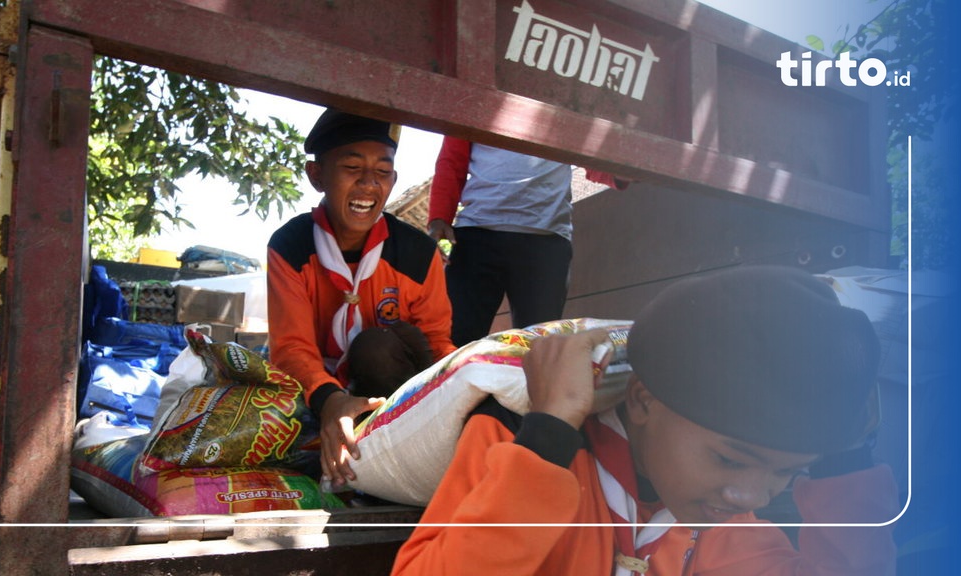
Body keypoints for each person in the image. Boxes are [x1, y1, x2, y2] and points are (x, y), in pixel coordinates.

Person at [392, 265, 898, 576]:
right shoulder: (517, 443)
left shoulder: (717, 518)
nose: (753, 497)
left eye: (785, 473)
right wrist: (546, 439)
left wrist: (846, 469)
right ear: (641, 400)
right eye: (728, 458)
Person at [267, 108, 455, 488]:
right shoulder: (290, 246)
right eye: (352, 167)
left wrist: (457, 390)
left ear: (394, 179)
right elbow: (291, 348)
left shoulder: (418, 254)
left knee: (374, 348)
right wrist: (330, 401)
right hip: (323, 393)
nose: (369, 184)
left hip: (394, 390)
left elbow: (435, 340)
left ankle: (392, 451)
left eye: (382, 172)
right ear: (316, 175)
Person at [427, 138, 575, 346]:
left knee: (539, 345)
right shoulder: (476, 104)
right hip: (477, 234)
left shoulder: (573, 105)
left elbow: (598, 153)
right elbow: (451, 160)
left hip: (546, 238)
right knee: (454, 339)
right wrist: (439, 217)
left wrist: (620, 172)